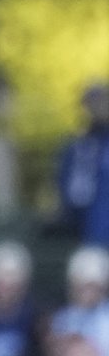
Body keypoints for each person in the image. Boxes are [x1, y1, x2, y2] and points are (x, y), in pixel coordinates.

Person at [59, 83, 109, 248]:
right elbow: (70, 191)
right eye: (90, 104)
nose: (95, 109)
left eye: (101, 102)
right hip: (87, 233)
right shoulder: (78, 147)